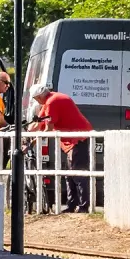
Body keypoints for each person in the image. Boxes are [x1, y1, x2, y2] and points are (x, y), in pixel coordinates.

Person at [31, 82, 94, 213]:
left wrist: (33, 142)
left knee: (78, 173)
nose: (37, 101)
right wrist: (28, 131)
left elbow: (47, 128)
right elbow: (39, 123)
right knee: (69, 174)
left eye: (36, 99)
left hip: (77, 138)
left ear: (40, 96)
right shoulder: (50, 99)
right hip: (71, 140)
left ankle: (83, 206)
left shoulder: (51, 102)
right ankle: (72, 204)